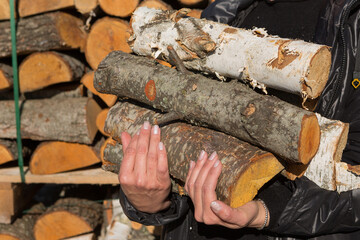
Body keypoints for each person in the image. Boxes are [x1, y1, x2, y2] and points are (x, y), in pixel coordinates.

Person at [119, 0, 360, 239]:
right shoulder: (225, 13)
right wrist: (152, 203)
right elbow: (180, 141)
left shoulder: (353, 27)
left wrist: (268, 211)